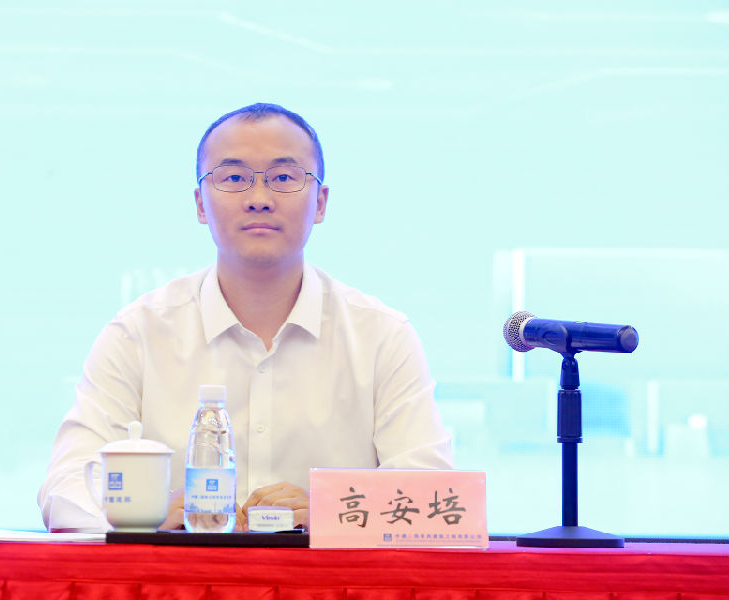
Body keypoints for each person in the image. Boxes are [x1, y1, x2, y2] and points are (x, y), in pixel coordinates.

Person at [38, 103, 453, 532]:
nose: (258, 199)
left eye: (284, 178)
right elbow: (65, 488)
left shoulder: (381, 336)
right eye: (234, 178)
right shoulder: (137, 334)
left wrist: (333, 512)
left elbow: (435, 497)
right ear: (200, 204)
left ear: (320, 203)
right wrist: (148, 518)